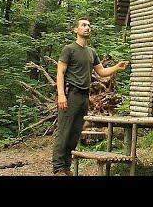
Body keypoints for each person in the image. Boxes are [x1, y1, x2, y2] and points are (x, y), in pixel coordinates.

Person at [51, 17, 128, 176]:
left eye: (89, 25)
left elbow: (101, 72)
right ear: (75, 30)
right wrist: (61, 96)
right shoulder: (69, 49)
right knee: (64, 132)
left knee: (75, 133)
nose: (87, 28)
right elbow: (60, 72)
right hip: (70, 94)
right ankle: (58, 168)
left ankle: (66, 167)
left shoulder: (91, 52)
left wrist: (116, 67)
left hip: (84, 97)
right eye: (83, 25)